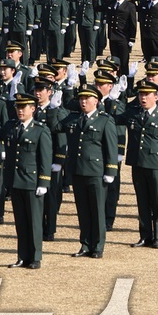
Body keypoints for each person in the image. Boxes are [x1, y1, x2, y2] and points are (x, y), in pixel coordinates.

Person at [65, 87, 118, 257]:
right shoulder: (75, 118)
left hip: (96, 171)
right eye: (81, 98)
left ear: (96, 101)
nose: (83, 101)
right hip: (78, 170)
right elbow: (56, 127)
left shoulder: (104, 120)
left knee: (97, 211)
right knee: (83, 210)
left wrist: (110, 170)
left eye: (87, 98)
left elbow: (110, 147)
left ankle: (98, 246)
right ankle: (85, 244)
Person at [1, 94, 51, 269]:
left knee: (34, 222)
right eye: (18, 107)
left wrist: (43, 182)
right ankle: (22, 255)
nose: (20, 110)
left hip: (32, 181)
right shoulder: (13, 127)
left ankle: (35, 256)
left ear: (33, 109)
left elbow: (45, 158)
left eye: (24, 107)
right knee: (21, 221)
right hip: (16, 181)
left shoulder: (40, 130)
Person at [126, 80, 158, 248]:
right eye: (141, 94)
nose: (143, 98)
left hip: (156, 164)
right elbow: (115, 117)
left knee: (157, 202)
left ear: (156, 96)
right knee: (142, 201)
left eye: (147, 95)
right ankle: (145, 235)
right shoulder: (134, 113)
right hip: (138, 163)